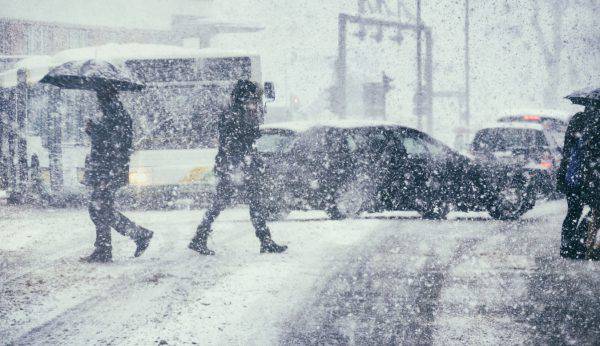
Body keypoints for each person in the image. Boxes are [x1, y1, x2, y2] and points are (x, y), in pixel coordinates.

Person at [189, 80, 287, 255]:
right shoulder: (234, 116)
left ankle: (264, 240)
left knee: (242, 202)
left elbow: (243, 140)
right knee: (229, 202)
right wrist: (239, 165)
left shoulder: (238, 113)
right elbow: (234, 143)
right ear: (245, 98)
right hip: (235, 168)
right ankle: (200, 237)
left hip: (237, 166)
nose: (256, 102)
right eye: (253, 99)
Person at [81, 85, 153, 263]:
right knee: (101, 208)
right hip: (109, 169)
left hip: (108, 170)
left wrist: (94, 131)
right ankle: (106, 248)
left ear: (104, 97)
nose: (97, 101)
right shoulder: (113, 113)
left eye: (99, 96)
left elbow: (114, 144)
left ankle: (137, 235)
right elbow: (114, 142)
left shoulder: (115, 115)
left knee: (99, 208)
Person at [557, 103, 599, 259]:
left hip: (573, 174)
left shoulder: (578, 119)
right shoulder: (594, 123)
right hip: (590, 176)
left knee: (574, 211)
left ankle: (568, 245)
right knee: (596, 210)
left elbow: (568, 148)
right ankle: (579, 243)